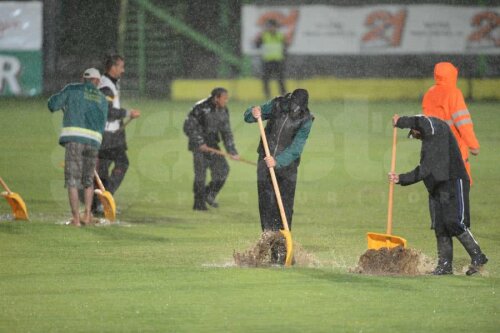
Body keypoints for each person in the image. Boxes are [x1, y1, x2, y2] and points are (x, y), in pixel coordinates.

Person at [388, 114, 488, 276]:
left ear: (417, 128)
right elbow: (425, 169)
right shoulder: (429, 143)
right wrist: (401, 178)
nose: (415, 137)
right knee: (440, 226)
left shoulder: (435, 127)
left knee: (454, 221)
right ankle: (444, 266)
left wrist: (401, 122)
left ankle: (478, 256)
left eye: (413, 133)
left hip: (453, 181)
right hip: (437, 188)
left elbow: (421, 122)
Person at [244, 88, 313, 264]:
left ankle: (282, 251)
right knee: (266, 206)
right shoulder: (277, 105)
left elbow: (297, 148)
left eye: (298, 107)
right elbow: (250, 116)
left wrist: (278, 161)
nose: (294, 109)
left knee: (284, 209)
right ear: (289, 100)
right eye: (293, 105)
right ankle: (268, 247)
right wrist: (253, 112)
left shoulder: (306, 120)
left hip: (287, 168)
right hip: (264, 163)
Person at [47, 68, 108, 227]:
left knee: (73, 181)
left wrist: (62, 101)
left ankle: (75, 219)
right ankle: (87, 215)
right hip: (94, 141)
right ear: (97, 81)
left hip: (74, 139)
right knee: (88, 181)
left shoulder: (72, 89)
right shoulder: (102, 98)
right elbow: (103, 123)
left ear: (84, 79)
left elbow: (53, 105)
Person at [94, 54, 141, 214]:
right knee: (119, 164)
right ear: (113, 67)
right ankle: (103, 200)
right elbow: (106, 111)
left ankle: (101, 201)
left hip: (111, 134)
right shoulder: (106, 86)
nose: (123, 70)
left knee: (105, 169)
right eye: (121, 66)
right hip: (106, 135)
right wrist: (128, 113)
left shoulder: (110, 83)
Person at [422, 62, 480, 184]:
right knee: (459, 194)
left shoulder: (429, 94)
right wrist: (473, 145)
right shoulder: (453, 93)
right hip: (455, 151)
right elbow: (463, 122)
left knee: (441, 194)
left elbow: (426, 123)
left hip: (435, 152)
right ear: (453, 75)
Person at [183, 87, 240, 211]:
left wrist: (232, 151)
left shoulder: (224, 110)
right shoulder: (199, 108)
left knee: (223, 170)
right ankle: (199, 204)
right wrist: (199, 142)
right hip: (199, 147)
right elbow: (188, 126)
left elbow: (226, 132)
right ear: (216, 98)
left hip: (212, 144)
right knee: (200, 175)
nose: (226, 101)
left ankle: (209, 194)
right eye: (224, 98)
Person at [254, 19, 288, 99]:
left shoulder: (280, 35)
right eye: (269, 26)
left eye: (273, 26)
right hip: (267, 60)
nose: (271, 28)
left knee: (280, 79)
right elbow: (257, 46)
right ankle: (267, 95)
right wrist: (258, 39)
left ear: (276, 27)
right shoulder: (264, 35)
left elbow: (285, 47)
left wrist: (284, 58)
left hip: (278, 60)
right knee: (266, 79)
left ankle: (284, 96)